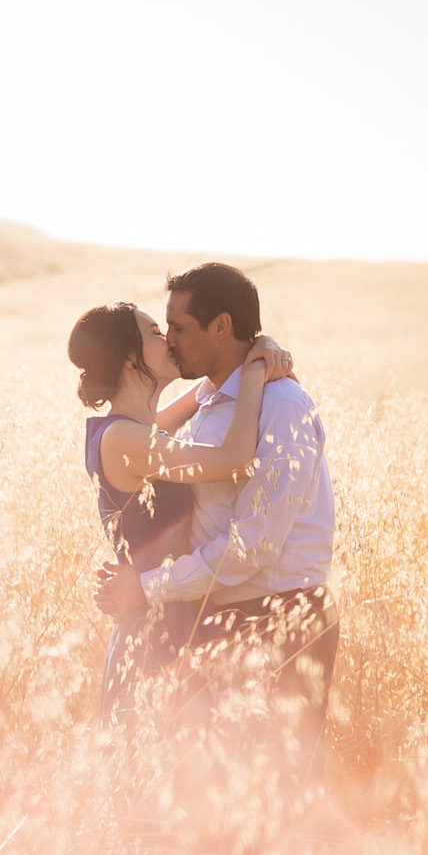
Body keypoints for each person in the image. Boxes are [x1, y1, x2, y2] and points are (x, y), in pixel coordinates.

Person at [93, 263, 338, 761]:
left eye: (179, 329)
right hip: (207, 618)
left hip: (277, 622)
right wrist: (254, 357)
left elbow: (254, 549)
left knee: (269, 799)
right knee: (196, 802)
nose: (172, 343)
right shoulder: (202, 404)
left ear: (221, 327)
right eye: (164, 333)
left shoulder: (281, 405)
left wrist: (144, 587)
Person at [69, 301, 292, 719]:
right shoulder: (122, 439)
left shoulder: (138, 430)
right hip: (153, 633)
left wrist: (260, 347)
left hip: (177, 615)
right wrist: (258, 370)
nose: (168, 338)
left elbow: (208, 388)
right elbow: (234, 458)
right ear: (129, 361)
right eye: (154, 332)